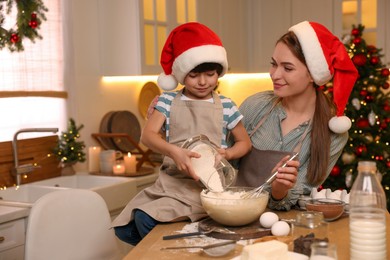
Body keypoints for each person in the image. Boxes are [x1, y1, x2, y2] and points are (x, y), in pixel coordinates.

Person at [112, 22, 251, 245]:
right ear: (180, 73)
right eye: (195, 75)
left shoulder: (226, 105)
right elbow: (147, 136)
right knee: (130, 225)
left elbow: (244, 143)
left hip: (209, 188)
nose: (204, 81)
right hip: (171, 184)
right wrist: (174, 152)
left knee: (149, 224)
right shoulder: (167, 101)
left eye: (210, 74)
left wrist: (226, 153)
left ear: (219, 73)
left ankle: (179, 246)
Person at [236, 21, 359, 211]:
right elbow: (224, 165)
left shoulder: (332, 133)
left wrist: (280, 191)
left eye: (288, 68)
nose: (275, 74)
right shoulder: (255, 106)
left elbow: (299, 194)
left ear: (312, 75)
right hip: (231, 212)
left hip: (281, 225)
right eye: (274, 64)